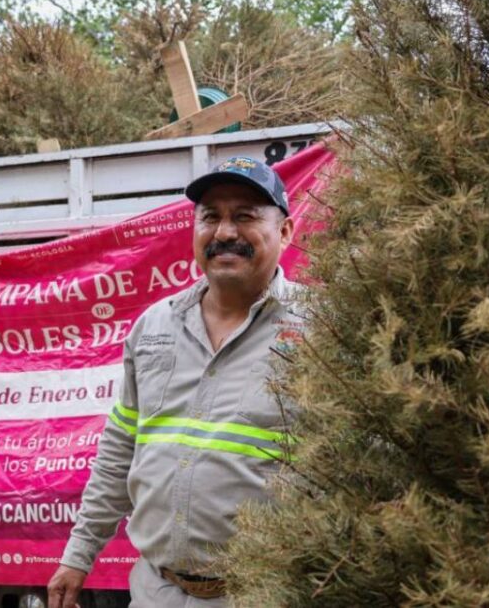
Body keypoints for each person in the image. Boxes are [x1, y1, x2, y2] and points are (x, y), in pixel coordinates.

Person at [47, 157, 306, 607]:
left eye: (245, 216)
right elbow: (119, 448)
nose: (225, 232)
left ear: (284, 232)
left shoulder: (321, 330)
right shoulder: (155, 326)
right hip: (156, 591)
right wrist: (78, 554)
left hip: (266, 593)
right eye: (210, 217)